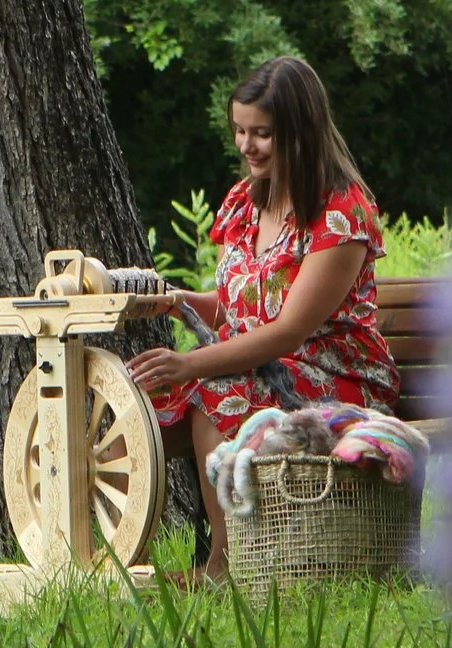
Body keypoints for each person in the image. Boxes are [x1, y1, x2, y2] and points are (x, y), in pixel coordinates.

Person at [128, 56, 399, 579]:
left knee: (213, 391)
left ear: (301, 132)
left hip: (330, 374)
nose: (245, 145)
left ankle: (224, 566)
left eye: (262, 134)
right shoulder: (246, 202)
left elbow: (289, 330)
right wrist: (179, 300)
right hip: (258, 362)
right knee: (142, 409)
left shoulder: (340, 212)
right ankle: (114, 557)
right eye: (239, 130)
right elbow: (236, 305)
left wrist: (192, 363)